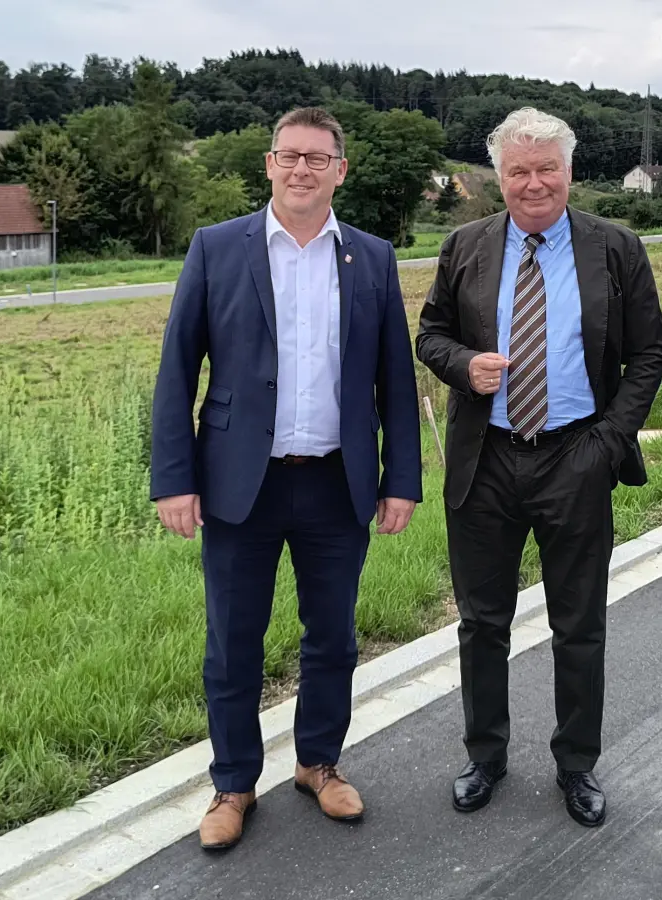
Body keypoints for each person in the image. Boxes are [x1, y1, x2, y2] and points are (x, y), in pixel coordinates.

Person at [149, 106, 423, 851]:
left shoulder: (370, 256)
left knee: (331, 638)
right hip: (243, 484)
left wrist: (400, 480)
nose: (301, 168)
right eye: (288, 155)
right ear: (268, 164)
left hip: (337, 484)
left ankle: (318, 764)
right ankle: (233, 784)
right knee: (233, 643)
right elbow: (177, 370)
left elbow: (395, 379)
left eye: (317, 157)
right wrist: (174, 479)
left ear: (340, 170)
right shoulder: (217, 248)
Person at [416, 107, 662, 828]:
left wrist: (605, 443)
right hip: (485, 460)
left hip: (575, 456)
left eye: (547, 168)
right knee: (481, 623)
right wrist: (465, 365)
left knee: (580, 626)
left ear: (570, 171)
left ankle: (577, 765)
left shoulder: (615, 248)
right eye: (519, 171)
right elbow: (429, 335)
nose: (534, 183)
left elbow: (649, 353)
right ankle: (485, 756)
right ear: (499, 178)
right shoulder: (465, 245)